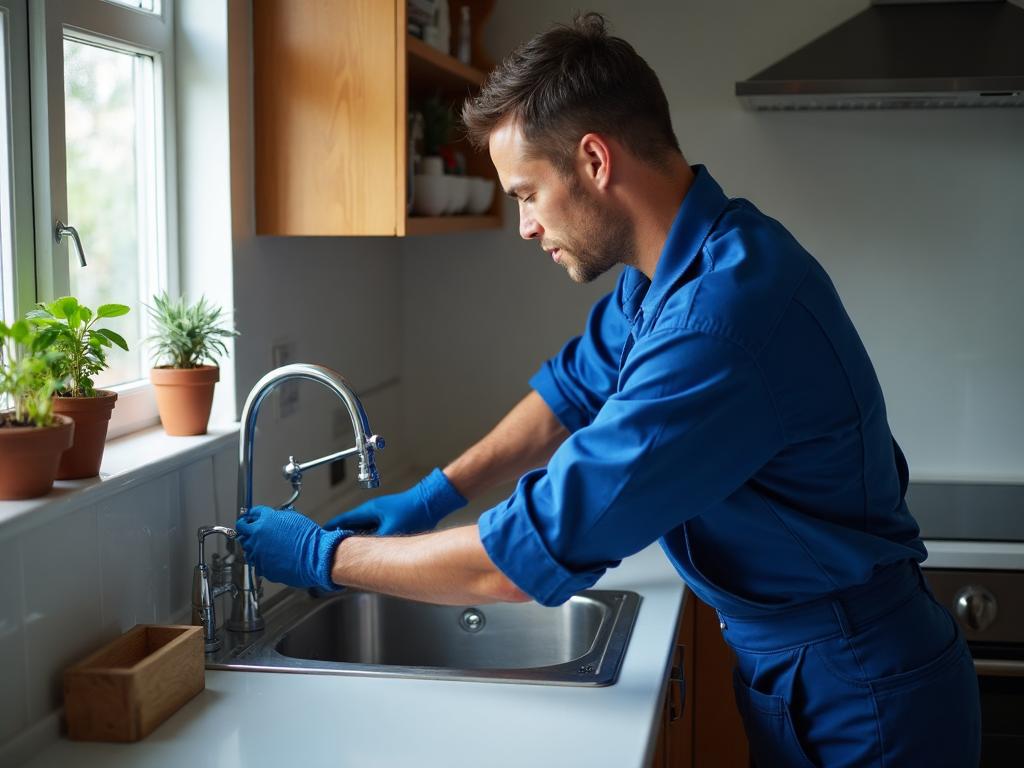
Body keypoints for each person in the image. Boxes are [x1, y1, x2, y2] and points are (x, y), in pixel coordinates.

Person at [237, 12, 981, 767]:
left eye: (527, 193)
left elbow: (516, 562)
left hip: (864, 696)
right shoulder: (677, 269)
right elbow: (569, 392)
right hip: (802, 669)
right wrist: (433, 492)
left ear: (594, 160)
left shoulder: (720, 322)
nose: (523, 225)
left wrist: (324, 557)